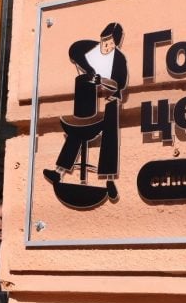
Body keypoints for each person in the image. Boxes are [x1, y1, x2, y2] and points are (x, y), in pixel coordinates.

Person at [43, 22, 128, 196]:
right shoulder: (91, 49)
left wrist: (102, 80)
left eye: (111, 43)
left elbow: (118, 84)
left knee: (111, 128)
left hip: (108, 103)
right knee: (77, 126)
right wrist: (89, 70)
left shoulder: (119, 59)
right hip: (88, 105)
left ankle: (109, 180)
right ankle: (59, 172)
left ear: (117, 44)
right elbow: (74, 50)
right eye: (105, 41)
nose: (106, 46)